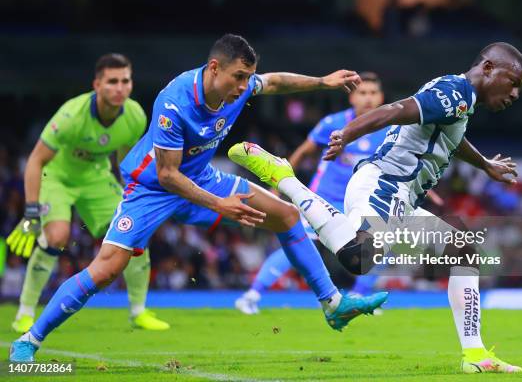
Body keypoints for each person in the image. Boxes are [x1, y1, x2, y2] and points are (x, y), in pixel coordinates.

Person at [9, 34, 387, 363]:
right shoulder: (175, 103)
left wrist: (322, 81)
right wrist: (218, 204)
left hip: (202, 176)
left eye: (246, 77)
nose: (243, 86)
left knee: (286, 215)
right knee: (107, 268)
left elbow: (273, 83)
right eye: (238, 77)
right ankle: (30, 339)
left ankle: (333, 305)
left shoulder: (240, 87)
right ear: (213, 68)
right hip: (152, 187)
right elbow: (168, 174)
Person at [229, 42, 522, 373]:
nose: (515, 94)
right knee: (359, 257)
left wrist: (484, 164)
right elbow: (398, 109)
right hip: (384, 183)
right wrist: (348, 133)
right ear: (487, 68)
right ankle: (285, 179)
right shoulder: (456, 91)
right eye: (513, 82)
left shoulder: (462, 102)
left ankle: (475, 356)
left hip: (401, 195)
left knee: (462, 251)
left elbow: (450, 138)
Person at [7, 53, 169, 333]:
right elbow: (35, 161)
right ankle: (24, 311)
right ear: (97, 84)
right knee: (57, 237)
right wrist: (31, 212)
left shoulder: (134, 116)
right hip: (56, 176)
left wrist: (135, 199)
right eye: (112, 81)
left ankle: (138, 312)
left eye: (125, 81)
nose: (120, 88)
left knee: (134, 230)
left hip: (95, 177)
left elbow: (126, 160)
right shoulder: (71, 116)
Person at [236, 72, 394, 314]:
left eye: (373, 93)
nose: (368, 99)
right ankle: (252, 295)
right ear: (352, 97)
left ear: (381, 96)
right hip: (325, 198)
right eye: (363, 93)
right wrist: (278, 185)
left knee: (384, 244)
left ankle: (358, 298)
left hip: (361, 202)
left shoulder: (389, 130)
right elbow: (303, 152)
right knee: (299, 243)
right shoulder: (333, 123)